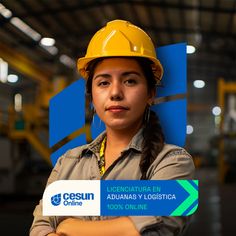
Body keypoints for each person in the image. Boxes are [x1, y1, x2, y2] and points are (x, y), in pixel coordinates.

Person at [30, 19, 195, 236]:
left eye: (130, 81)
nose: (115, 92)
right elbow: (39, 228)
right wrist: (125, 226)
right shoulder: (68, 162)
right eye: (103, 83)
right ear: (91, 95)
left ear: (151, 94)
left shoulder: (175, 162)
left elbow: (155, 232)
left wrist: (70, 227)